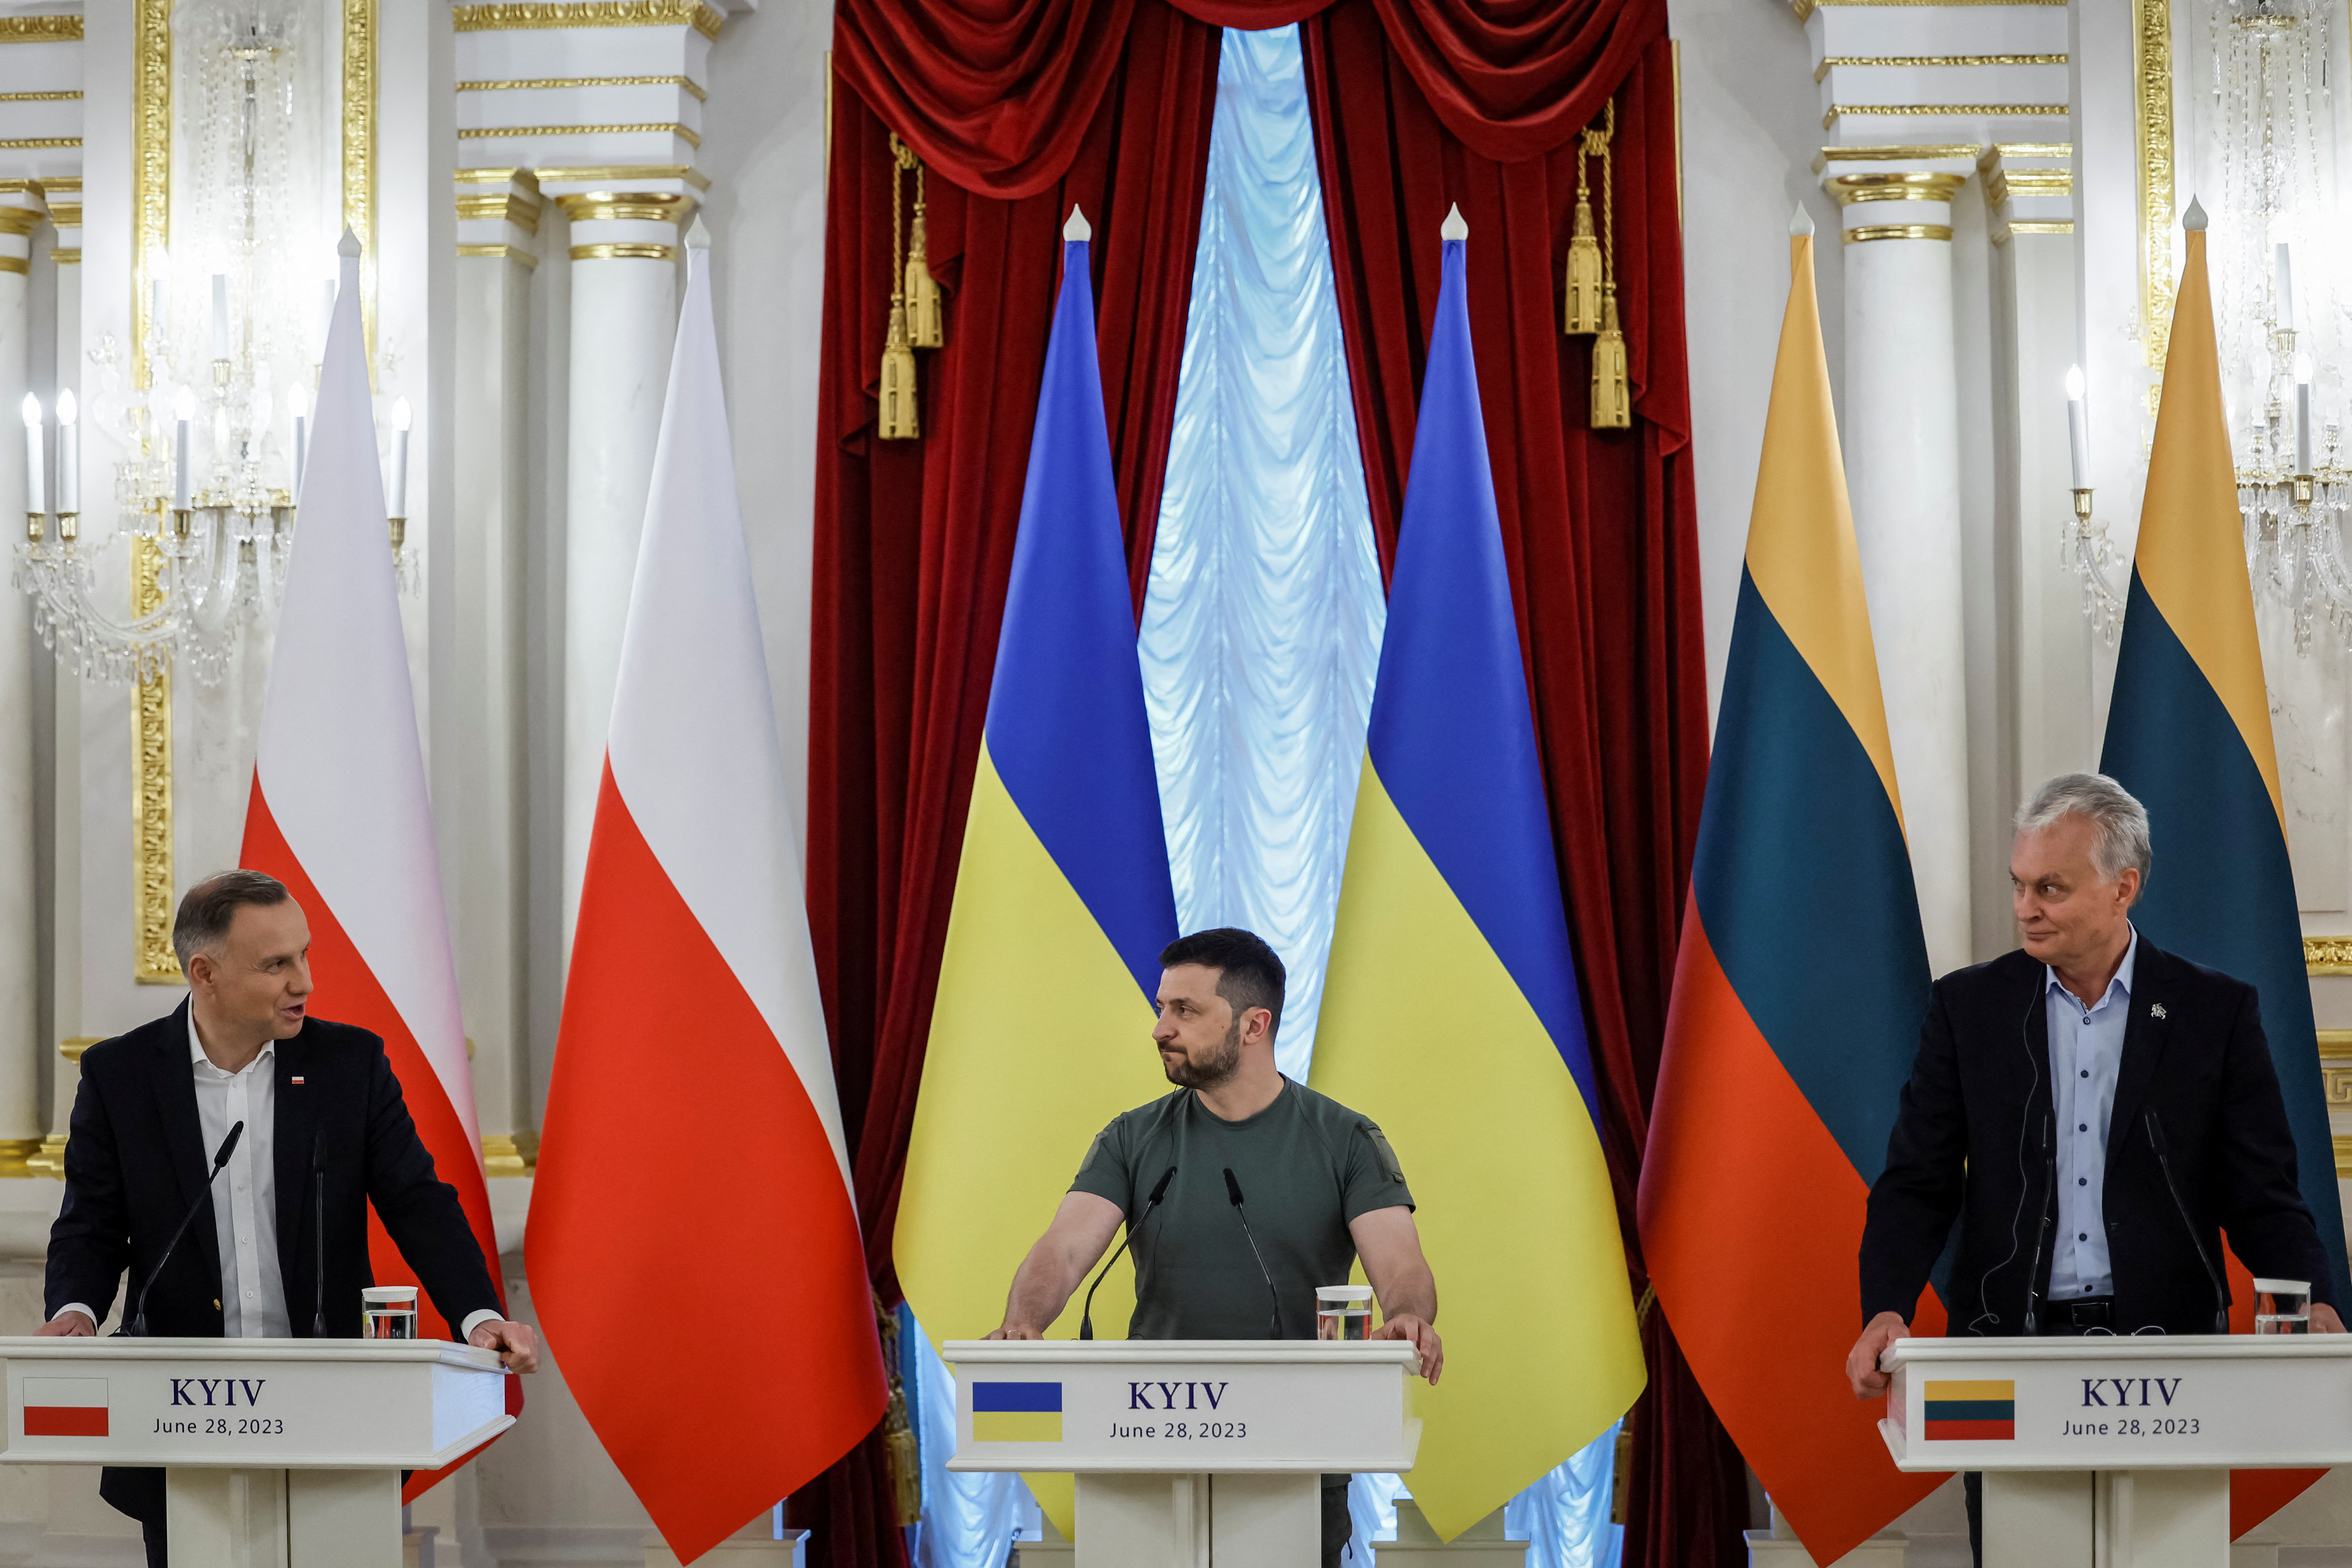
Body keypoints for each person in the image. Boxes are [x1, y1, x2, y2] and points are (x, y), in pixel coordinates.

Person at [1848, 773, 2340, 1561]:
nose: (2024, 909)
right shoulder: (1967, 1009)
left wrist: (2312, 1298)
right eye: (2017, 885)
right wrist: (1884, 1307)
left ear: (2123, 888)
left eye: (2050, 888)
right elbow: (1918, 1180)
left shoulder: (2213, 1011)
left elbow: (2261, 1190)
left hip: (2172, 1359)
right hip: (2007, 1354)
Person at [39, 870, 540, 1568]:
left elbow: (417, 1203)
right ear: (204, 973)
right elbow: (91, 1224)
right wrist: (75, 1312)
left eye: (304, 955)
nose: (304, 981)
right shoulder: (121, 1075)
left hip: (332, 1410)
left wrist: (479, 1317)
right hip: (181, 1413)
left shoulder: (349, 1065)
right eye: (277, 965)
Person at [987, 927, 1442, 1568]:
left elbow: (1399, 1263)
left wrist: (1407, 1315)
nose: (1160, 1029)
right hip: (1147, 1438)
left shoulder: (1345, 1139)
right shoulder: (1132, 1137)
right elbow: (1064, 1248)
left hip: (1299, 1442)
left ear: (1254, 1025)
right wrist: (1022, 1325)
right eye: (1160, 1008)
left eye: (1185, 1010)